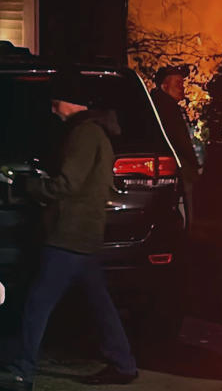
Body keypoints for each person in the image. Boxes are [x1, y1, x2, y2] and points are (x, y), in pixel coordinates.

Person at [0, 71, 137, 391]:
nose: (52, 108)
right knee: (99, 302)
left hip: (68, 233)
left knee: (37, 302)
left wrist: (28, 185)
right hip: (85, 233)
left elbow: (67, 184)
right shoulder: (94, 133)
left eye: (56, 101)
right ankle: (123, 363)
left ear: (71, 103)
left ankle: (22, 372)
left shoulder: (84, 134)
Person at [151, 66, 202, 229]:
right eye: (178, 83)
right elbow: (180, 139)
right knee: (187, 196)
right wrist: (194, 163)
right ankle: (188, 232)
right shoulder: (168, 107)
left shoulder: (154, 104)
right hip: (175, 162)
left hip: (162, 163)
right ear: (164, 86)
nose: (182, 87)